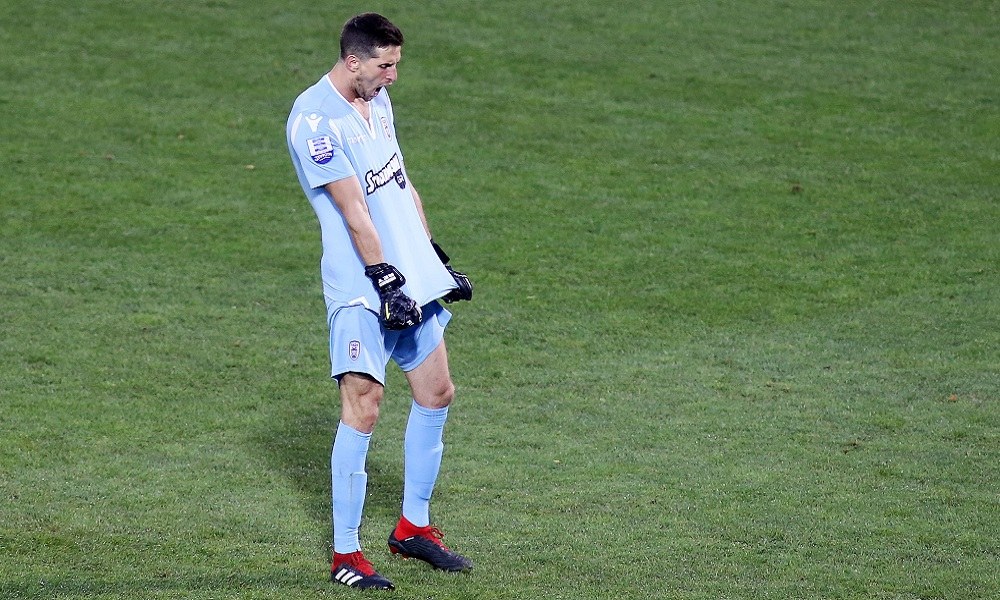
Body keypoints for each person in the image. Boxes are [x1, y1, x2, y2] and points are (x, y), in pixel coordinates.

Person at [285, 12, 474, 591]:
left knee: (437, 391)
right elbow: (353, 211)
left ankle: (412, 528)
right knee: (363, 408)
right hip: (360, 287)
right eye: (385, 65)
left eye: (396, 65)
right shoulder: (314, 121)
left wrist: (431, 257)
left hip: (406, 275)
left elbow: (398, 181)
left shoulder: (378, 100)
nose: (393, 76)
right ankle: (346, 554)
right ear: (353, 60)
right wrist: (386, 282)